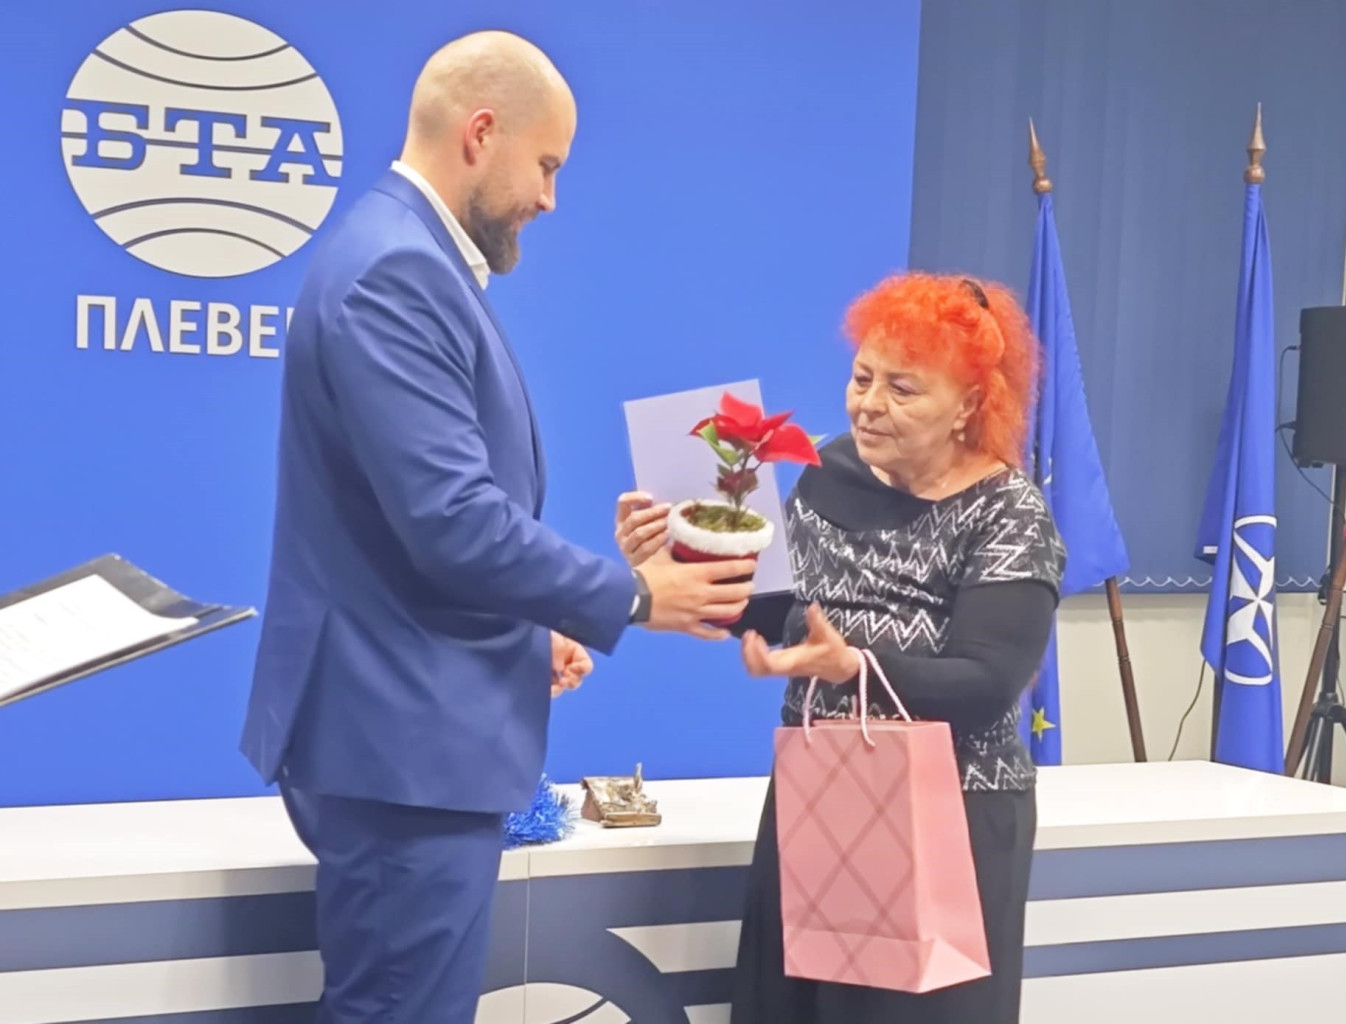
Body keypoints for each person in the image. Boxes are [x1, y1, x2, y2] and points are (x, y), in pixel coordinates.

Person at [239, 30, 754, 1024]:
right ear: (481, 133)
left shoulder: (407, 257)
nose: (550, 198)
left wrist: (525, 628)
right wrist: (633, 595)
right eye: (546, 165)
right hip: (402, 752)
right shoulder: (396, 270)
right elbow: (451, 519)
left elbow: (412, 528)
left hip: (405, 739)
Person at [615, 271, 1065, 1023]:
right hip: (821, 796)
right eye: (862, 378)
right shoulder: (829, 473)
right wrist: (671, 559)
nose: (869, 404)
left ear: (970, 405)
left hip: (950, 815)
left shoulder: (1007, 511)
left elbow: (988, 683)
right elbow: (780, 615)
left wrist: (856, 667)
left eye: (902, 388)